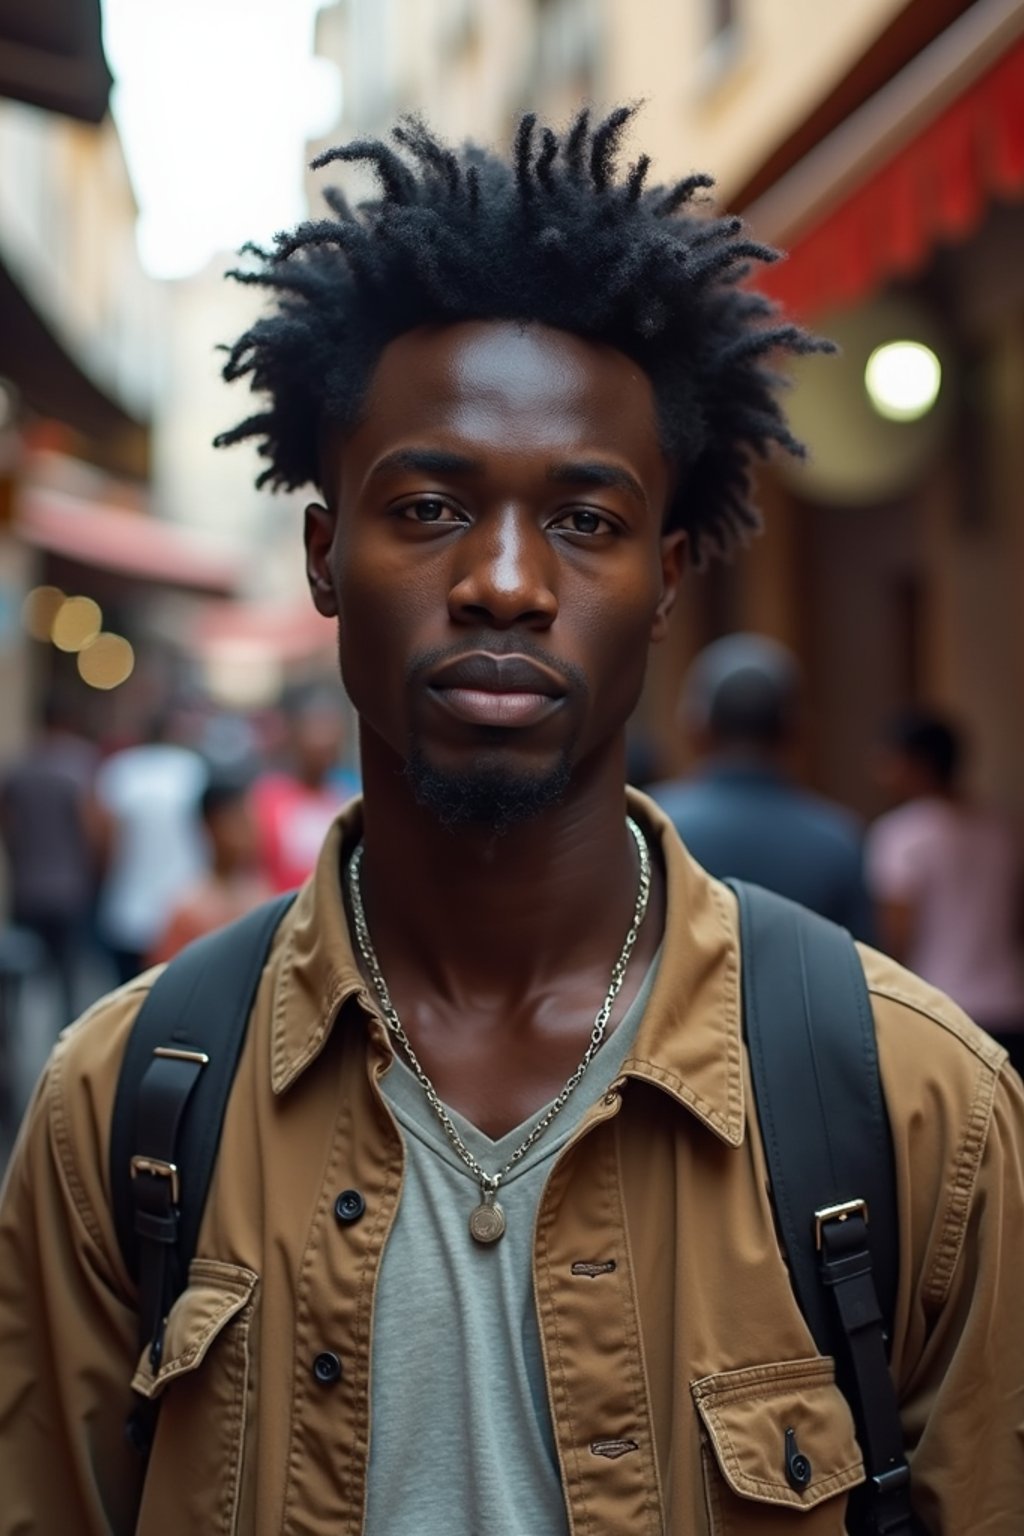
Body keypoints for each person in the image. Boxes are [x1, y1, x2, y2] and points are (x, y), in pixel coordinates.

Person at [0, 110, 1021, 1535]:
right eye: (426, 506)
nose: (502, 582)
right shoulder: (124, 1110)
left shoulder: (914, 1112)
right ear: (323, 557)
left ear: (668, 580)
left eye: (586, 522)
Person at [649, 633, 875, 939]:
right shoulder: (839, 841)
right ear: (795, 730)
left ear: (695, 727)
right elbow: (865, 969)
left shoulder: (652, 826)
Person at [867, 709, 1024, 1076]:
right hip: (1011, 1004)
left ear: (917, 764)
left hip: (941, 1008)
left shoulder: (901, 835)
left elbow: (897, 935)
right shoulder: (1004, 831)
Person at [0, 698, 100, 1024]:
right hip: (70, 887)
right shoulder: (80, 764)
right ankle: (66, 1041)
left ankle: (14, 1040)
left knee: (23, 973)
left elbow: (9, 825)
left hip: (28, 888)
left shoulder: (22, 765)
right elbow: (92, 828)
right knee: (67, 977)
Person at [92, 710, 209, 984]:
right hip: (184, 906)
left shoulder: (121, 770)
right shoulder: (194, 770)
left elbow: (103, 840)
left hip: (129, 908)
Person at [147, 772, 271, 965]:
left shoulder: (262, 894)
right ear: (210, 827)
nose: (250, 832)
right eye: (238, 821)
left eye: (250, 821)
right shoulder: (188, 909)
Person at [250, 684, 358, 891]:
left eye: (331, 728)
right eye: (316, 728)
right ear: (293, 733)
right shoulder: (268, 797)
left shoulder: (350, 792)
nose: (325, 740)